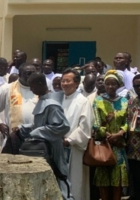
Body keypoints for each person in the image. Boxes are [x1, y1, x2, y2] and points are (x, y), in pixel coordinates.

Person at [23, 72, 72, 199]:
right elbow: (40, 124)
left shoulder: (52, 104)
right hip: (43, 148)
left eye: (32, 86)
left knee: (60, 180)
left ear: (40, 84)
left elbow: (62, 126)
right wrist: (25, 129)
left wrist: (36, 132)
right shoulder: (43, 101)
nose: (31, 90)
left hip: (54, 149)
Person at [93, 70, 128, 200]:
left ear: (118, 85)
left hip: (119, 145)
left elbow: (127, 122)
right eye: (108, 84)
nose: (110, 87)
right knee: (103, 178)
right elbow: (95, 122)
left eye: (113, 84)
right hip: (104, 145)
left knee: (117, 179)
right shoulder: (98, 101)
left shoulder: (124, 101)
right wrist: (107, 134)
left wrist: (120, 133)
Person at [61, 68, 94, 200]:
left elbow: (85, 127)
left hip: (74, 148)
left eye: (68, 81)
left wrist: (69, 140)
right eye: (63, 81)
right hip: (58, 147)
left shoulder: (83, 101)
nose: (64, 83)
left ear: (76, 83)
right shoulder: (58, 98)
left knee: (75, 181)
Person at [0, 63, 37, 144]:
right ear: (19, 75)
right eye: (28, 73)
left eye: (33, 73)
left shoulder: (40, 89)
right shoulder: (8, 88)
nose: (31, 76)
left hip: (36, 138)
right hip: (14, 137)